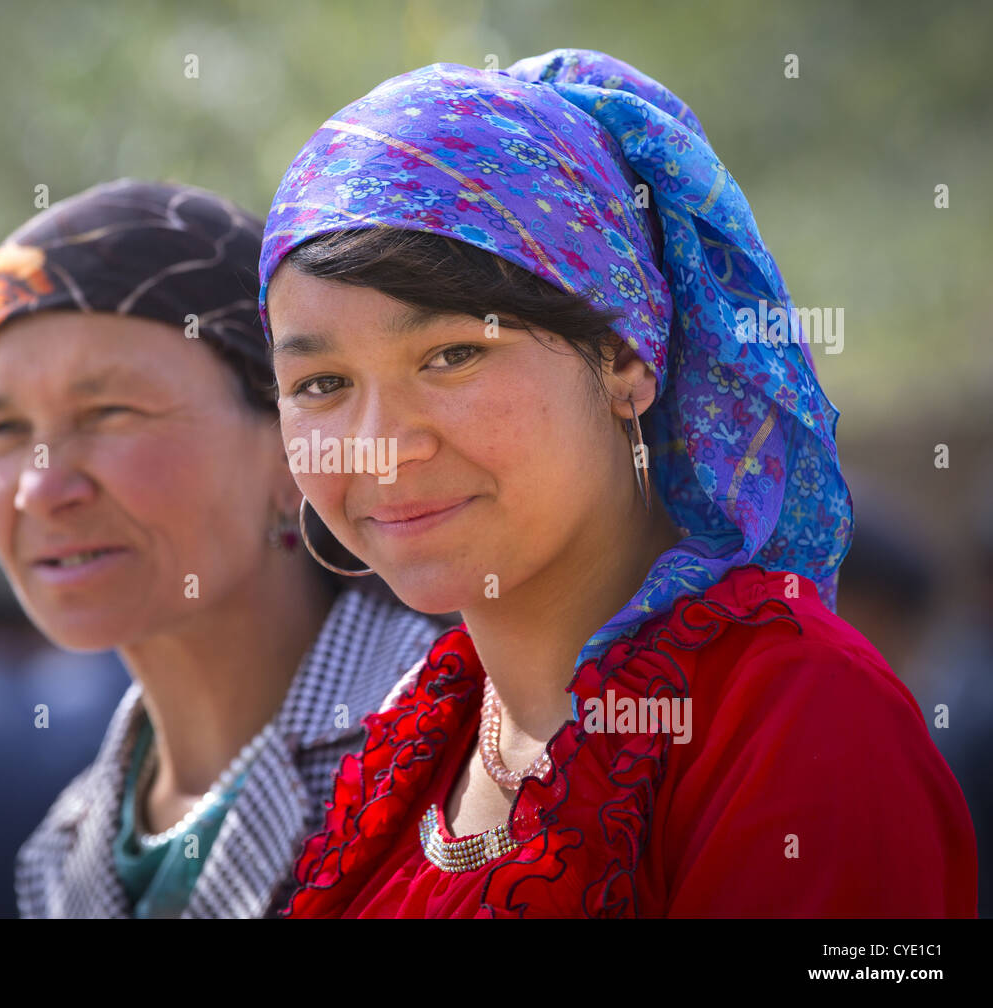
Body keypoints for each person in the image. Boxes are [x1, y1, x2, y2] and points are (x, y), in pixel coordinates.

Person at [258, 48, 977, 917]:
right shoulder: (419, 733)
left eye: (452, 356)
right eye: (321, 385)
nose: (377, 448)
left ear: (627, 357)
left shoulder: (793, 719)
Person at [0, 179, 441, 918]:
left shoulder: (460, 743)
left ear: (292, 445)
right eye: (0, 432)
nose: (41, 490)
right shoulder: (64, 850)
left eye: (111, 411)